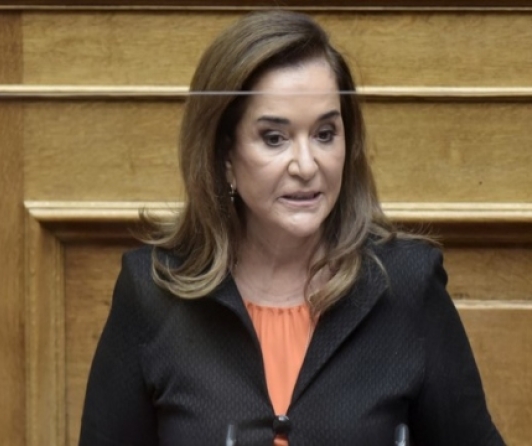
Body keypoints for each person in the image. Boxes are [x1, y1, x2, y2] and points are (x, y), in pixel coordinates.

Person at [79, 10, 504, 446]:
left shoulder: (408, 286)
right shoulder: (151, 293)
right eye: (274, 138)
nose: (306, 165)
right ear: (225, 155)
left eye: (325, 134)